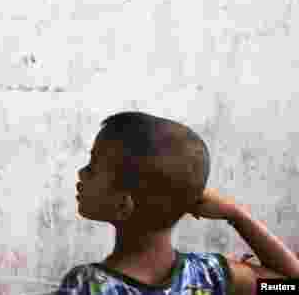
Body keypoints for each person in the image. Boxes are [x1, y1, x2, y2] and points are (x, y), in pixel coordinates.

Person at [57, 111, 299, 295]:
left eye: (92, 167)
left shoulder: (86, 285)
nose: (81, 173)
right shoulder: (209, 275)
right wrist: (237, 214)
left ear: (123, 205)